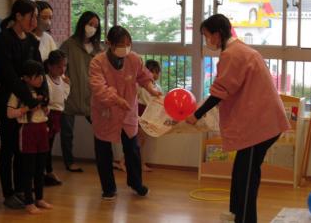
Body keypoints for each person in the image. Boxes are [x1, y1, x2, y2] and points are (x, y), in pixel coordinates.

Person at [185, 14, 289, 223]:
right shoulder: (238, 50)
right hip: (261, 122)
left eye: (207, 36)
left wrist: (196, 114)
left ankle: (243, 219)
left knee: (246, 177)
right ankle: (238, 216)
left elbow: (219, 92)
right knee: (244, 174)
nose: (207, 41)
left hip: (260, 125)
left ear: (218, 34)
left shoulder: (233, 54)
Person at [89, 26, 161, 200]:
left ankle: (136, 183)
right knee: (103, 150)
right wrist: (116, 100)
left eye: (129, 44)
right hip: (105, 111)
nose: (126, 48)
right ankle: (108, 188)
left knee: (133, 148)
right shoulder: (97, 62)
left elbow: (143, 76)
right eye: (121, 44)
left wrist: (151, 89)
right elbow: (98, 87)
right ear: (109, 44)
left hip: (128, 111)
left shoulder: (134, 59)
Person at [0, 0, 44, 209]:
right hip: (9, 99)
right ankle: (8, 193)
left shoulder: (32, 41)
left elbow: (39, 70)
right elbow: (8, 75)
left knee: (25, 148)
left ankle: (24, 190)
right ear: (18, 16)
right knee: (10, 147)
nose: (34, 21)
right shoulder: (4, 38)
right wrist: (29, 98)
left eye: (36, 17)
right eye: (31, 16)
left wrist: (41, 96)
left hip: (29, 100)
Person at [6, 60, 52, 214]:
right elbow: (10, 113)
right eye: (36, 76)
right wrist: (26, 108)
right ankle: (28, 201)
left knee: (40, 168)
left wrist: (45, 109)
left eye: (41, 76)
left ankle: (39, 198)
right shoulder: (18, 93)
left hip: (41, 130)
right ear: (25, 78)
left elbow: (46, 110)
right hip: (27, 131)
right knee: (29, 169)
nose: (40, 79)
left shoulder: (42, 92)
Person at [59, 11, 102, 172]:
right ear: (82, 24)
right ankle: (69, 162)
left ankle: (105, 159)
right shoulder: (69, 44)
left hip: (92, 96)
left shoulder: (98, 48)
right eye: (90, 24)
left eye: (96, 26)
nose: (92, 28)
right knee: (67, 132)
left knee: (101, 129)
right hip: (70, 95)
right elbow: (59, 66)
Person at [44, 50, 70, 186]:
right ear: (50, 66)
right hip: (48, 115)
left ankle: (48, 171)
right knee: (45, 146)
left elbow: (63, 97)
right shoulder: (46, 80)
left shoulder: (61, 79)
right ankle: (46, 171)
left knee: (50, 145)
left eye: (64, 66)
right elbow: (49, 100)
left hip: (57, 115)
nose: (62, 69)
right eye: (59, 66)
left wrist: (67, 84)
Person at [137, 59, 163, 172]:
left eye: (157, 72)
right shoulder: (141, 85)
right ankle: (138, 164)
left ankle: (126, 162)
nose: (155, 75)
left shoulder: (157, 87)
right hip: (140, 112)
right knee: (140, 139)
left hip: (149, 114)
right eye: (152, 72)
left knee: (141, 140)